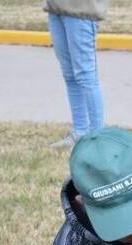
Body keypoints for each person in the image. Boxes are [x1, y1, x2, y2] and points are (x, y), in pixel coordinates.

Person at [45, 0, 107, 149]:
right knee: (70, 76)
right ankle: (80, 131)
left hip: (82, 11)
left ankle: (97, 138)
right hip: (56, 9)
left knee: (86, 77)